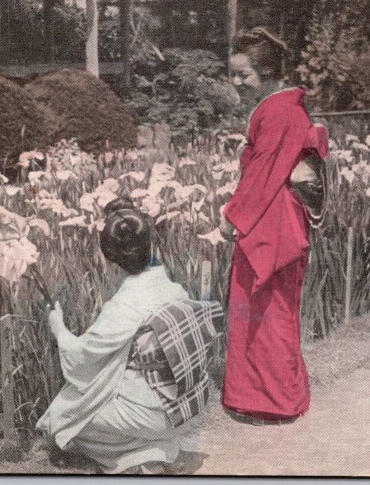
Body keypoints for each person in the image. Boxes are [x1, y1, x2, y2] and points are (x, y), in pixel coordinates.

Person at [37, 199, 222, 474]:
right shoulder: (172, 288)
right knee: (88, 400)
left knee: (63, 417)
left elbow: (82, 357)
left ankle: (144, 455)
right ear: (150, 245)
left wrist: (59, 328)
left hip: (153, 410)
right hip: (184, 401)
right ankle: (155, 447)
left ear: (109, 256)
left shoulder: (123, 306)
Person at [217, 27, 329, 423]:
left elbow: (265, 172)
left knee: (270, 309)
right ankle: (265, 397)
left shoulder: (281, 111)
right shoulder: (279, 108)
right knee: (261, 310)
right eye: (233, 73)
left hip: (274, 220)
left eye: (242, 74)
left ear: (268, 74)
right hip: (272, 216)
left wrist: (233, 215)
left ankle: (275, 401)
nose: (235, 82)